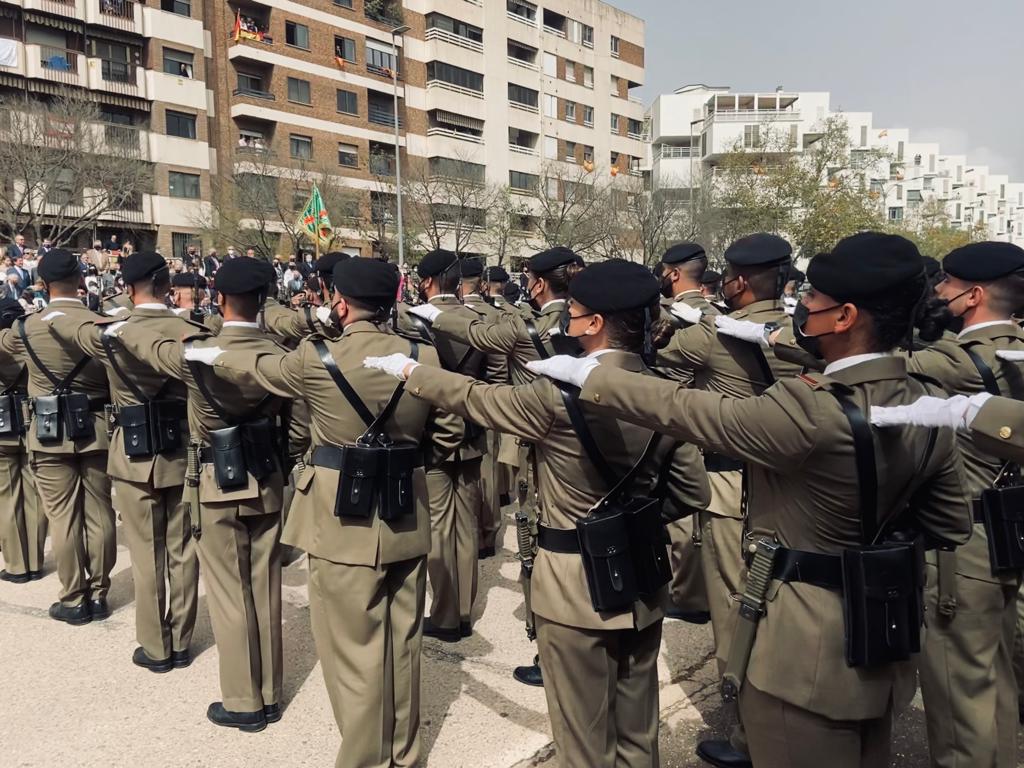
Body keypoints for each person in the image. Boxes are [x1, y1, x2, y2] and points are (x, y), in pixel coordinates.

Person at [526, 233, 972, 768]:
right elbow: (949, 524)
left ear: (845, 316)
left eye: (812, 300)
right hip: (886, 631)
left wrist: (588, 374)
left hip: (805, 651)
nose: (799, 307)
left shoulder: (808, 410)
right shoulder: (931, 407)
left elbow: (686, 409)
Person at [364, 258, 711, 768]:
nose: (566, 320)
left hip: (574, 585)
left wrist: (412, 372)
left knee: (582, 741)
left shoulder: (556, 397)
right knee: (638, 733)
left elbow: (474, 398)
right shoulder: (665, 393)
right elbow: (691, 491)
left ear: (595, 323)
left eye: (574, 310)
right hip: (641, 573)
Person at [184, 256, 462, 768]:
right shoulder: (425, 354)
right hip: (405, 507)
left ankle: (363, 760)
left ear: (341, 301)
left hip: (341, 517)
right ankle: (403, 755)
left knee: (353, 655)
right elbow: (447, 434)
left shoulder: (317, 357)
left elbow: (260, 367)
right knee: (403, 648)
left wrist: (215, 352)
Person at [102, 256, 288, 732]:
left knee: (226, 592)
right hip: (265, 475)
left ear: (219, 299)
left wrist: (123, 326)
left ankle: (242, 700)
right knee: (263, 587)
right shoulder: (282, 354)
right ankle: (268, 694)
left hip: (214, 479)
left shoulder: (195, 350)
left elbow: (148, 345)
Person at [656, 233, 803, 766]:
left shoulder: (709, 334)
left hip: (729, 486)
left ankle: (746, 730)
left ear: (737, 280)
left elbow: (659, 374)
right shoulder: (797, 331)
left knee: (735, 608)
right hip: (791, 486)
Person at [407, 246, 584, 684]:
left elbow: (479, 341)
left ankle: (548, 648)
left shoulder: (516, 327)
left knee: (535, 547)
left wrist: (426, 312)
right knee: (475, 527)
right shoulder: (591, 323)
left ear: (538, 283)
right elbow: (496, 373)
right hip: (571, 449)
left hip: (528, 447)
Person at [896, 241, 1024, 768]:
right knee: (995, 676)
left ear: (972, 295)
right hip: (1011, 530)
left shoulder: (953, 360)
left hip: (964, 547)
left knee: (957, 695)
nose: (938, 293)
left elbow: (873, 371)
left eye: (945, 283)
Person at [43, 251, 200, 673]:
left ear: (129, 291)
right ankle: (183, 639)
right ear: (169, 286)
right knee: (183, 550)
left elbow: (66, 323)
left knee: (147, 554)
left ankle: (156, 645)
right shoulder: (196, 330)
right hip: (181, 450)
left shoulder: (111, 333)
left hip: (133, 454)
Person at [0, 249, 114, 625]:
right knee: (99, 511)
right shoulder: (100, 324)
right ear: (81, 280)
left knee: (63, 516)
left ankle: (73, 597)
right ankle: (99, 592)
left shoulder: (26, 328)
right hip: (95, 424)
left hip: (48, 431)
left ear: (43, 285)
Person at [401, 249, 485, 641]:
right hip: (472, 429)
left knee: (438, 526)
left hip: (432, 432)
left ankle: (446, 613)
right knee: (466, 525)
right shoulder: (480, 321)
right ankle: (465, 610)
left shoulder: (414, 321)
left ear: (428, 283)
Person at [651, 242, 714, 625]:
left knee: (682, 522)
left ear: (673, 274)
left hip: (678, 421)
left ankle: (689, 596)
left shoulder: (670, 318)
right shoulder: (716, 315)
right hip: (709, 423)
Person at [458, 257, 510, 558]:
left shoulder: (447, 314)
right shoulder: (494, 315)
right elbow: (499, 365)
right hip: (486, 395)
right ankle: (488, 531)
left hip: (452, 397)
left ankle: (473, 530)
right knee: (487, 465)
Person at [0, 296, 44, 584]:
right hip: (30, 420)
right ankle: (36, 560)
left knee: (6, 495)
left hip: (2, 421)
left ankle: (17, 564)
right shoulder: (29, 343)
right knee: (34, 495)